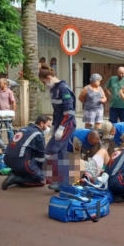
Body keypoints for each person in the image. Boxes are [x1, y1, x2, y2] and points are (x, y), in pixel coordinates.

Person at [38, 64, 77, 192]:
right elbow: (57, 111)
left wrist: (61, 128)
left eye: (44, 82)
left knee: (50, 151)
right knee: (62, 153)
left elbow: (69, 113)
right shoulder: (54, 90)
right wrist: (54, 125)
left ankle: (53, 178)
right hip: (60, 123)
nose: (45, 85)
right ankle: (64, 183)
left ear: (49, 77)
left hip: (67, 125)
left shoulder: (63, 89)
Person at [1, 115, 52, 190]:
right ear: (41, 124)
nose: (49, 129)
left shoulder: (24, 129)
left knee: (31, 163)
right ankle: (15, 179)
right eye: (48, 126)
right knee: (42, 180)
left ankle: (16, 172)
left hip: (7, 159)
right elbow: (40, 158)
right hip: (21, 162)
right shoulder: (38, 135)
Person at [0, 77, 16, 142]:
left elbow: (13, 102)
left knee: (9, 129)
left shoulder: (9, 92)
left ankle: (11, 143)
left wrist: (13, 113)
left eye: (0, 83)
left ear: (4, 83)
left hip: (7, 114)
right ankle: (0, 142)